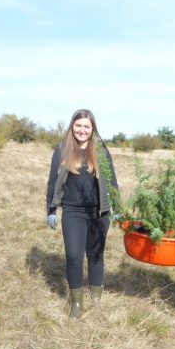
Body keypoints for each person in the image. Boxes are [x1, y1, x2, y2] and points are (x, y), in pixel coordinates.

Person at [45, 109, 118, 318]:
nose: (82, 130)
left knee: (96, 255)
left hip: (99, 213)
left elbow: (112, 182)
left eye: (86, 126)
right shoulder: (61, 150)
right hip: (73, 212)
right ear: (72, 126)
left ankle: (96, 296)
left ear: (92, 128)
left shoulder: (102, 151)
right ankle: (77, 303)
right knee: (74, 257)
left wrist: (117, 209)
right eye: (78, 126)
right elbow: (52, 182)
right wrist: (50, 210)